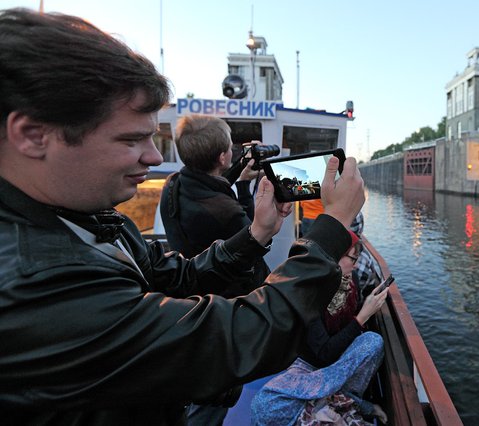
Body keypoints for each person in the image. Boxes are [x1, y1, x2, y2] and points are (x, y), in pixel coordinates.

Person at [0, 8, 365, 426]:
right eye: (132, 138)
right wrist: (331, 229)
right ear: (32, 136)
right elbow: (232, 342)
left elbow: (179, 276)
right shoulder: (33, 283)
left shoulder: (89, 218)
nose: (156, 157)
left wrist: (257, 232)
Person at [251, 241, 390, 425]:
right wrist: (362, 317)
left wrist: (360, 318)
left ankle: (329, 400)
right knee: (263, 406)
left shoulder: (351, 282)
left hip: (338, 365)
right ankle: (344, 401)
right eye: (353, 259)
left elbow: (345, 341)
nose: (356, 265)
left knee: (373, 341)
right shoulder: (312, 291)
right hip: (308, 368)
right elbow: (324, 353)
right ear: (334, 258)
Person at [160, 115, 270, 293]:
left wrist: (240, 168)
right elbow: (255, 237)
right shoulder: (227, 212)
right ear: (221, 158)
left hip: (193, 284)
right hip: (232, 296)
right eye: (230, 148)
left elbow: (208, 185)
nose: (232, 150)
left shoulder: (172, 183)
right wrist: (243, 186)